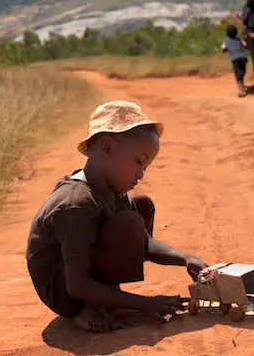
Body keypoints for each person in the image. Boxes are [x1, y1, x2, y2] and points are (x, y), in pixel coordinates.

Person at [25, 100, 209, 333]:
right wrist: (145, 304)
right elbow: (77, 284)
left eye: (146, 166)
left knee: (141, 206)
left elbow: (144, 244)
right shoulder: (76, 204)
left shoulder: (111, 189)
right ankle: (88, 308)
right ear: (107, 148)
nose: (141, 173)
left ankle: (107, 298)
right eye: (138, 161)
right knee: (128, 222)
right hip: (65, 292)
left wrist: (185, 258)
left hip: (81, 278)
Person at [221, 24, 249, 97]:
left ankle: (241, 91)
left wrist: (227, 49)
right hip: (243, 58)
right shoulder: (239, 40)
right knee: (242, 72)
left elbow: (223, 49)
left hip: (235, 59)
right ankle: (243, 87)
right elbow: (246, 45)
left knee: (238, 75)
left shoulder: (226, 42)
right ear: (236, 32)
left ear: (227, 34)